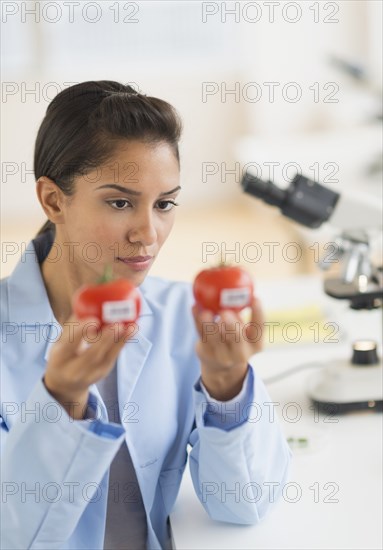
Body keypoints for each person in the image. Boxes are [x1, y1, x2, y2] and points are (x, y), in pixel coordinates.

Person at [1, 80, 291, 550]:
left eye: (164, 204)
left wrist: (227, 386)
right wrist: (62, 399)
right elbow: (14, 535)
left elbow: (245, 502)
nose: (148, 234)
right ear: (53, 200)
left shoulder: (183, 317)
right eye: (120, 203)